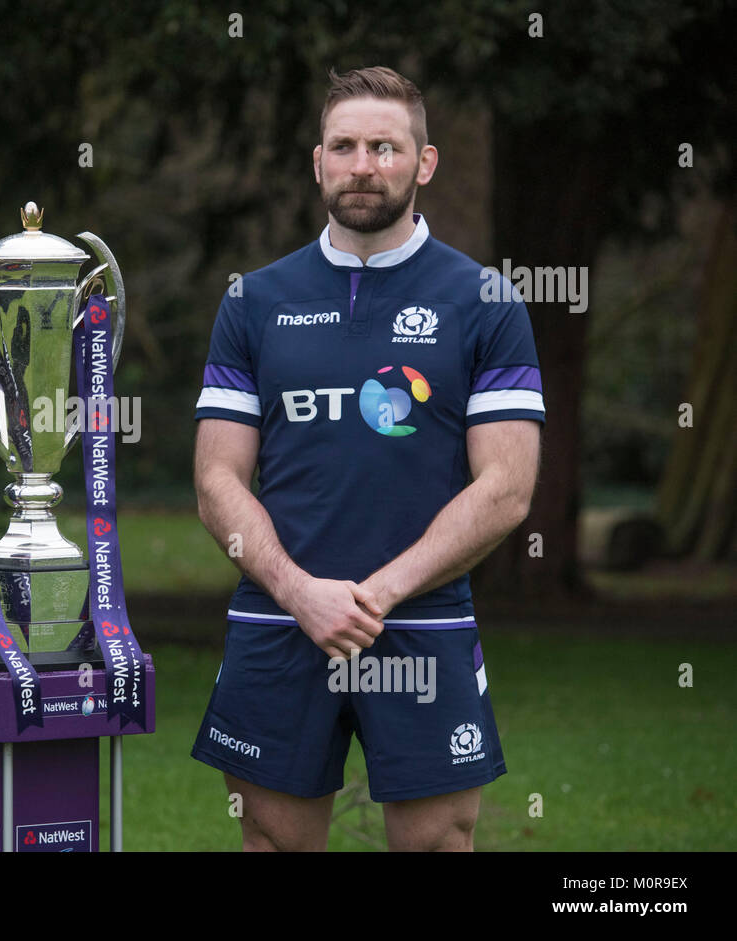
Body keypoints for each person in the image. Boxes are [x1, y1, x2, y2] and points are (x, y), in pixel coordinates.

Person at [190, 67, 544, 851]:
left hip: (422, 623)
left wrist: (374, 593)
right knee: (273, 844)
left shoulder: (484, 300)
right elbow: (217, 478)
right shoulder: (255, 299)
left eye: (384, 147)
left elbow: (508, 487)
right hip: (280, 621)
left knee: (438, 845)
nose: (362, 164)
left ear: (424, 163)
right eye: (344, 146)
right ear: (317, 162)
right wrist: (300, 591)